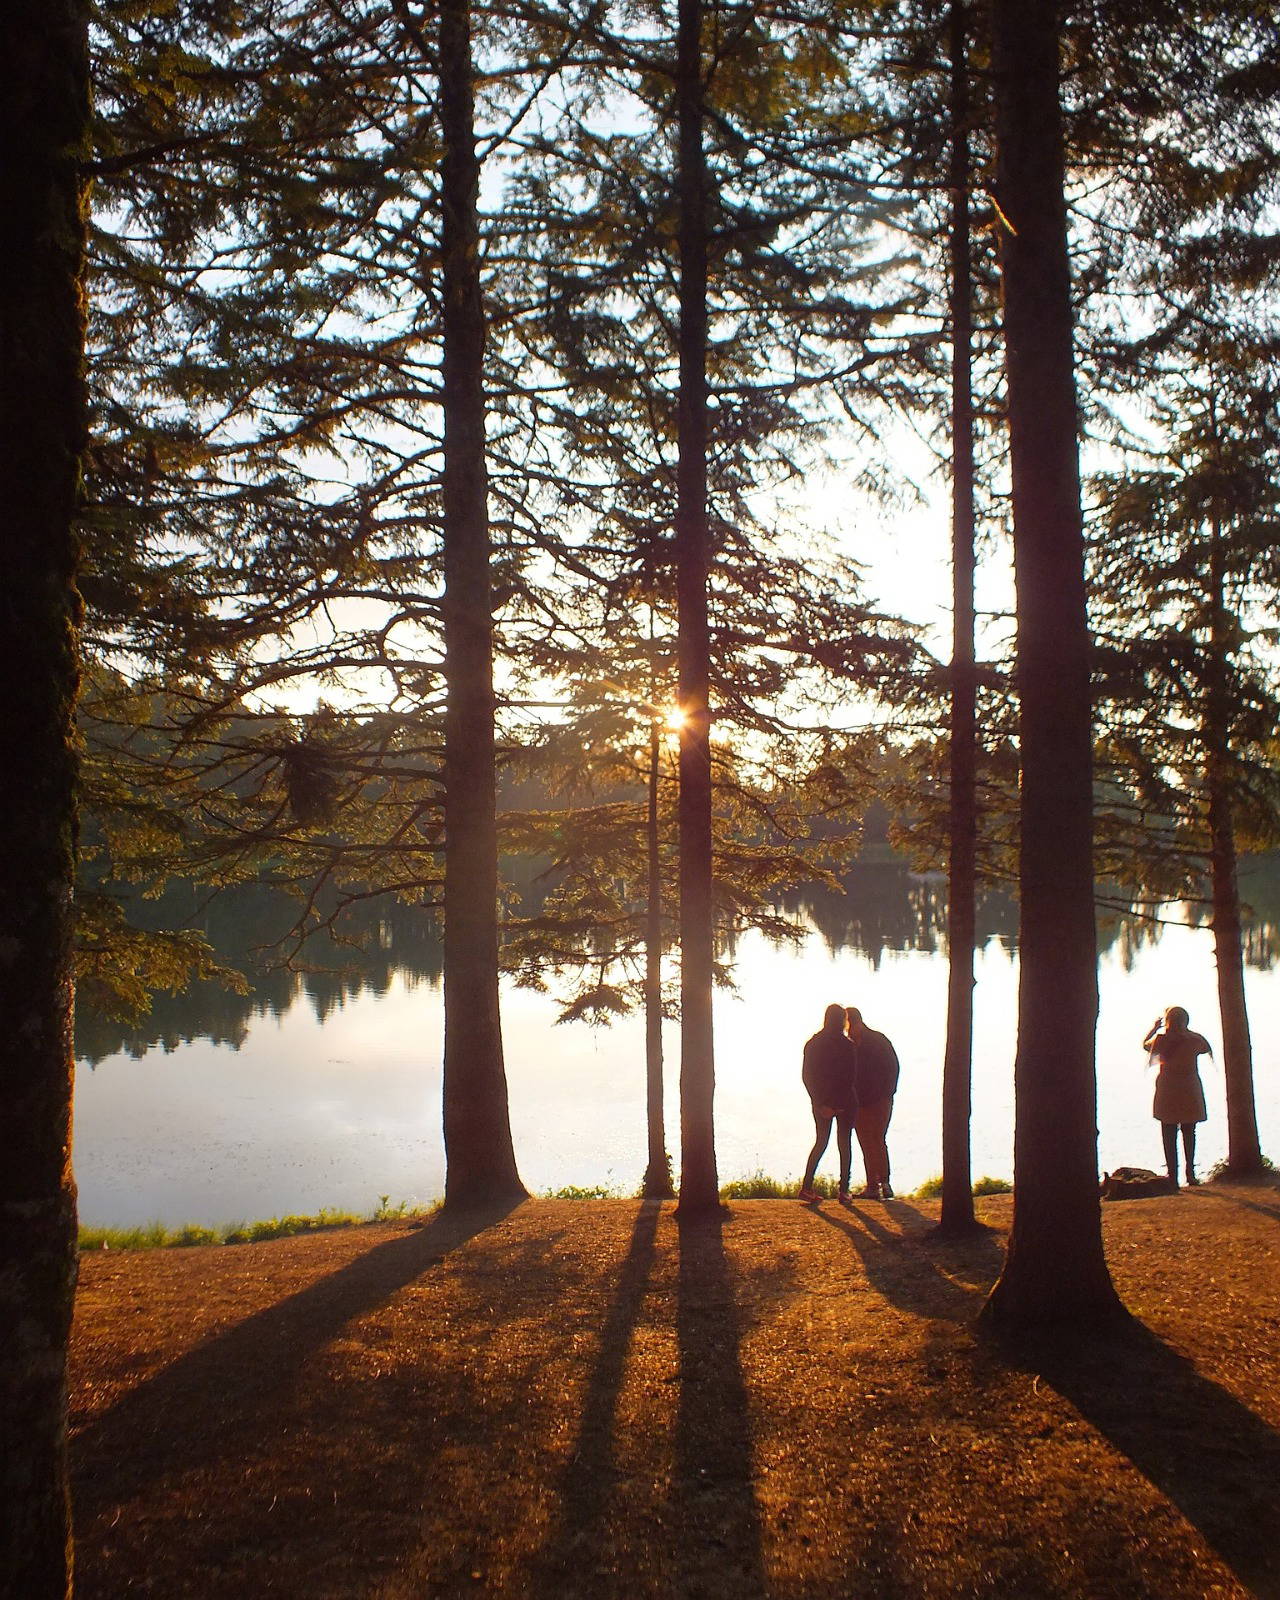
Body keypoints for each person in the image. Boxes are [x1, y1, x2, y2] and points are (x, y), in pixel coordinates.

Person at [1143, 1005, 1212, 1188]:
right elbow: (1205, 1048)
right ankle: (1191, 1174)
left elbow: (1145, 1045)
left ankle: (1172, 1176)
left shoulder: (1160, 1041)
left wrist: (1154, 1029)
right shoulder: (1195, 1040)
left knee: (1168, 1132)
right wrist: (1187, 1032)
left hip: (1167, 1089)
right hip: (1189, 1088)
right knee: (1189, 1132)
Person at [799, 1003, 859, 1203]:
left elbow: (807, 1076)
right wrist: (839, 1103)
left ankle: (807, 1187)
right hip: (845, 1101)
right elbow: (849, 1077)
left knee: (821, 1142)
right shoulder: (847, 1045)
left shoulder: (812, 1044)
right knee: (844, 1143)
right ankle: (844, 1190)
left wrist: (820, 1103)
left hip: (821, 1102)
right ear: (842, 1021)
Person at [847, 1006, 900, 1199]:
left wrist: (886, 1095)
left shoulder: (877, 1041)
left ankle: (883, 1183)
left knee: (877, 1139)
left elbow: (892, 1069)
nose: (849, 1031)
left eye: (850, 1026)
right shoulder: (852, 1045)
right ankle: (873, 1185)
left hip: (878, 1101)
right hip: (860, 1102)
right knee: (866, 1141)